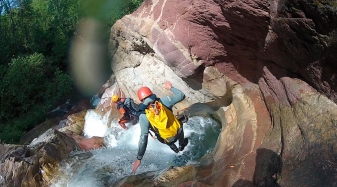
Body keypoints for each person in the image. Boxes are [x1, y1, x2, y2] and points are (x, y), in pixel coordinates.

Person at [132, 81, 188, 173]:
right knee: (180, 131)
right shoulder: (163, 101)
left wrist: (139, 158)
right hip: (179, 129)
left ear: (141, 100)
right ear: (151, 94)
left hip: (168, 138)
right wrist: (170, 87)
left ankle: (177, 151)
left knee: (167, 140)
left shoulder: (144, 116)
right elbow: (181, 95)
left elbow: (143, 138)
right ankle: (181, 146)